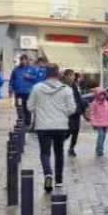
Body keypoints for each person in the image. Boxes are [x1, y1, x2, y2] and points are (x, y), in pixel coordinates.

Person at [27, 64, 77, 193]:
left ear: (45, 73)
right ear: (58, 74)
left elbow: (30, 107)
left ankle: (48, 173)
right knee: (59, 152)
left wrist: (41, 109)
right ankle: (59, 181)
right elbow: (72, 109)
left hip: (43, 126)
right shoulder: (66, 89)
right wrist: (62, 112)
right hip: (60, 126)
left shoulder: (37, 88)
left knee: (45, 152)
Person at [9, 55, 40, 126]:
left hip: (28, 93)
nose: (23, 61)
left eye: (24, 59)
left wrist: (30, 77)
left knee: (27, 108)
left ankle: (27, 123)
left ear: (27, 60)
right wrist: (10, 90)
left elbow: (38, 79)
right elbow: (12, 80)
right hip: (18, 93)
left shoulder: (32, 69)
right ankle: (21, 122)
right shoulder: (16, 69)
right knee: (19, 107)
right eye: (21, 60)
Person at [86, 86, 108, 156]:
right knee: (101, 135)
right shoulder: (94, 104)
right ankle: (99, 150)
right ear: (97, 95)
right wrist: (93, 122)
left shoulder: (106, 103)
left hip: (105, 122)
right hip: (98, 123)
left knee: (103, 136)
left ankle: (99, 148)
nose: (102, 96)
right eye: (100, 95)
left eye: (103, 94)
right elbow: (92, 114)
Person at [63, 69, 83, 156]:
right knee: (69, 130)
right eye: (71, 75)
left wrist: (82, 109)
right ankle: (59, 142)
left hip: (77, 112)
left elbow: (78, 98)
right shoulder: (63, 87)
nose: (73, 77)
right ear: (66, 76)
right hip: (68, 112)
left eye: (73, 75)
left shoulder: (75, 86)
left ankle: (71, 148)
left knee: (76, 131)